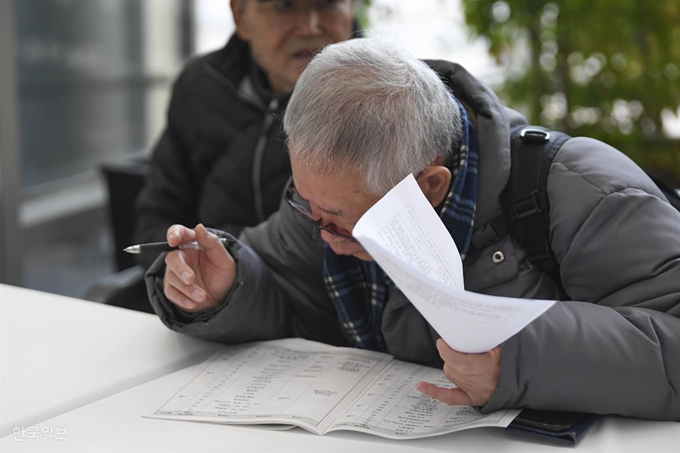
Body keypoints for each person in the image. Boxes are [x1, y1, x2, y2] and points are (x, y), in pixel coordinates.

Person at [145, 37, 680, 421]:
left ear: (429, 186)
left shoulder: (582, 192)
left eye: (343, 224)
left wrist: (519, 360)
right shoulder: (331, 199)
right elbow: (285, 292)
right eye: (303, 202)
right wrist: (222, 289)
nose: (319, 230)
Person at [132, 0, 358, 268]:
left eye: (327, 4)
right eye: (284, 6)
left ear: (352, 7)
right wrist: (181, 264)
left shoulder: (385, 102)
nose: (309, 27)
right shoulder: (202, 87)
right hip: (207, 290)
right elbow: (158, 215)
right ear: (241, 15)